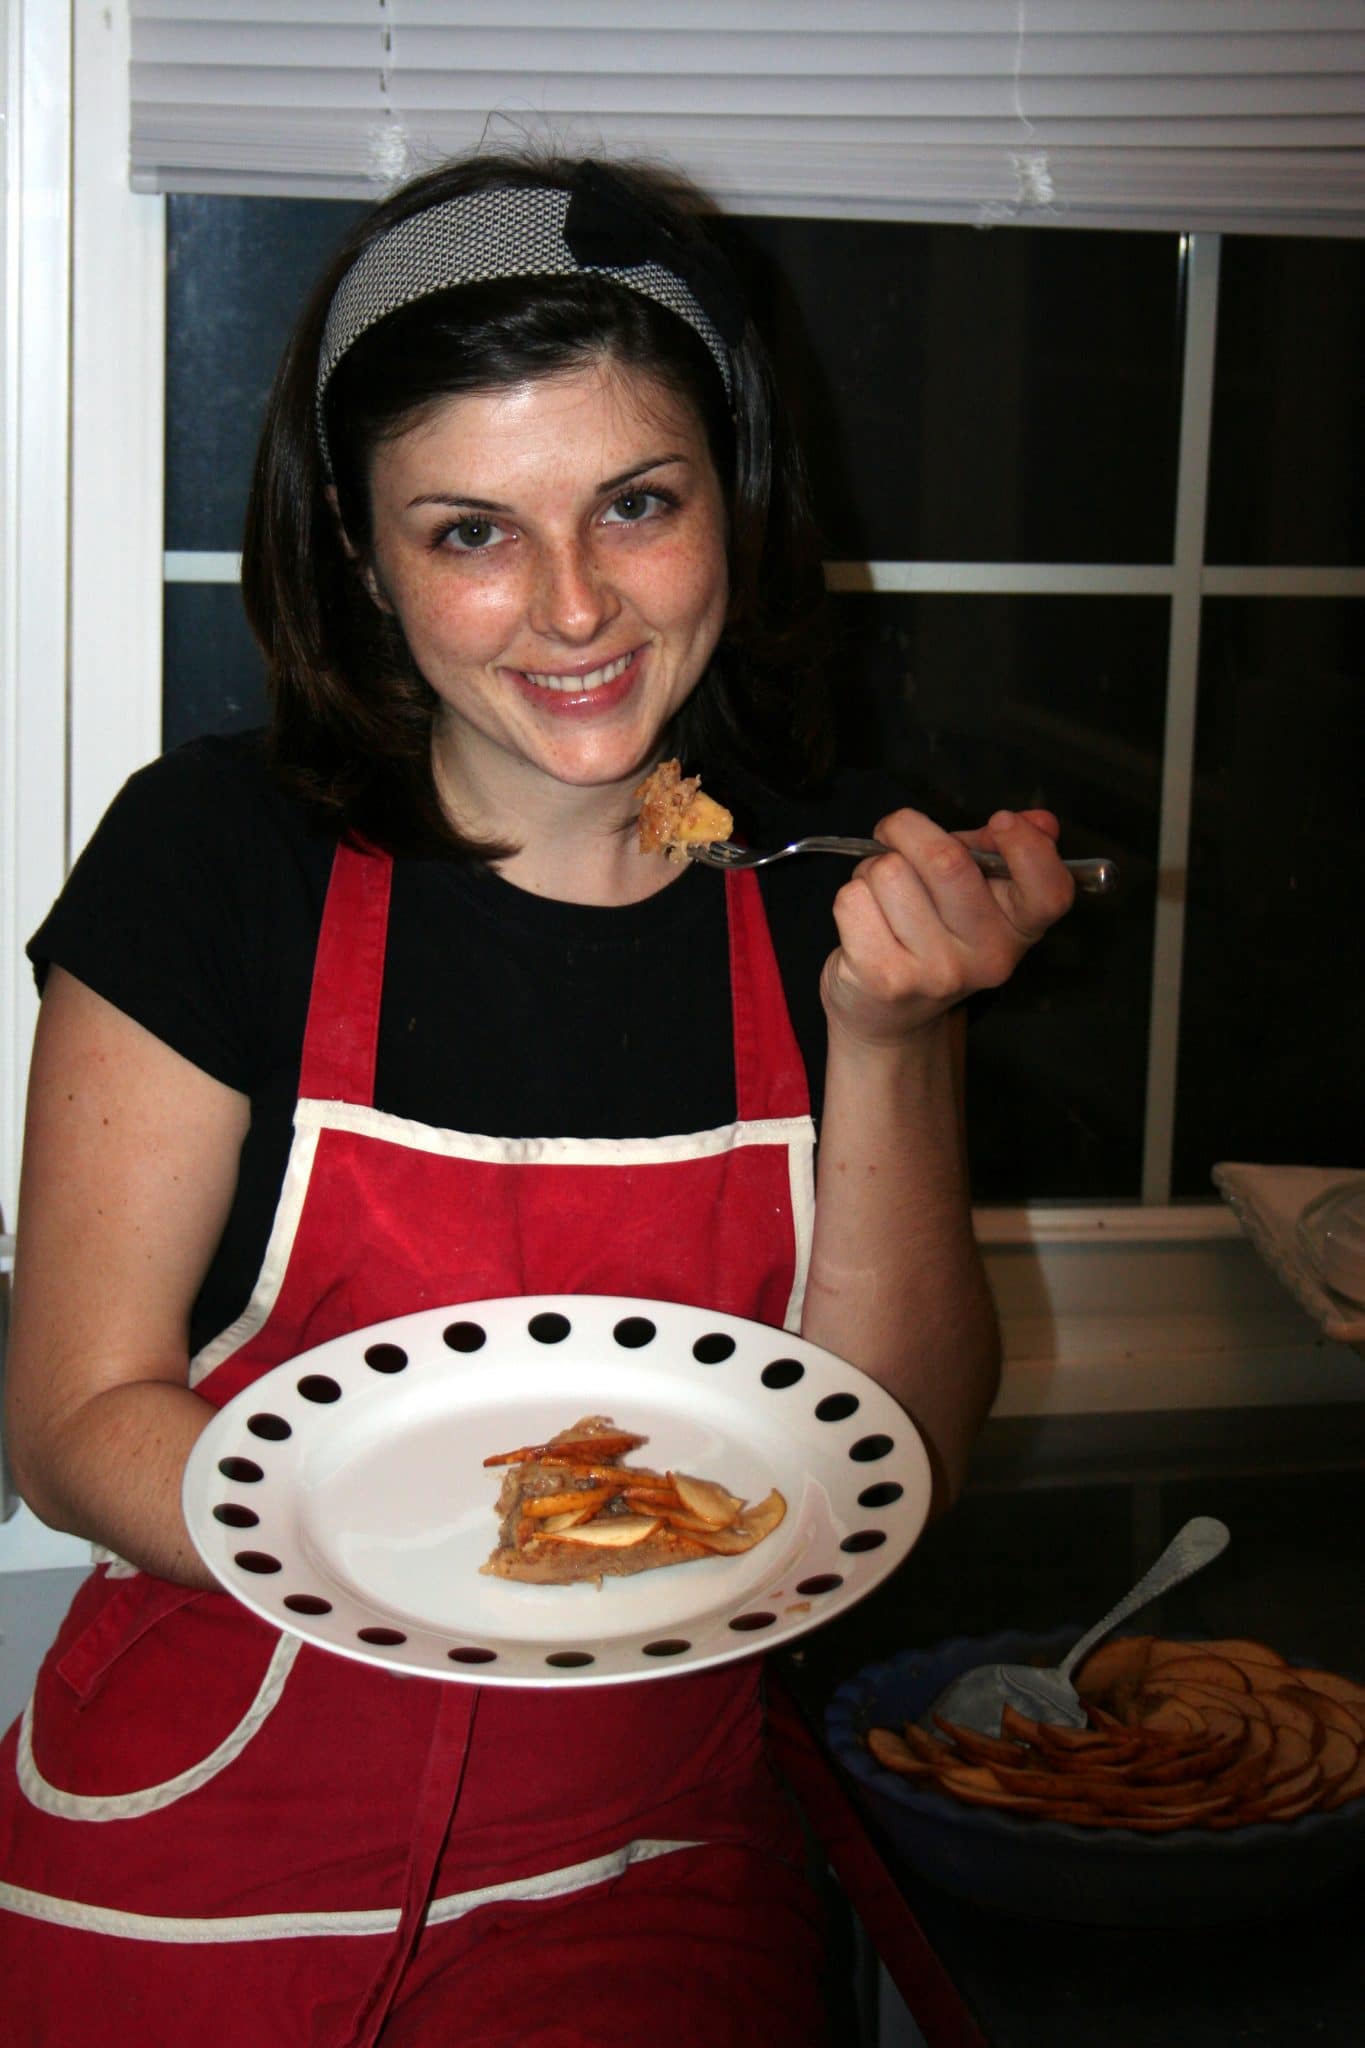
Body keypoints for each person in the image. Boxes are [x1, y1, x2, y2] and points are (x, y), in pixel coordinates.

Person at [0, 150, 1075, 2045]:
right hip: (188, 1837)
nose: (570, 609)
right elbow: (76, 1422)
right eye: (469, 531)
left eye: (635, 505)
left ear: (728, 498)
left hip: (637, 1857)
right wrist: (404, 1563)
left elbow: (889, 1449)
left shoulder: (832, 906)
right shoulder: (215, 858)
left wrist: (895, 1043)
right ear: (356, 545)